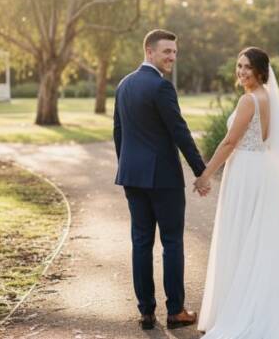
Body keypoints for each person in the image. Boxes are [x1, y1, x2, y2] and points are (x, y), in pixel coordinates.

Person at [194, 47, 279, 338]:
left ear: (261, 71)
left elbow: (229, 142)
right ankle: (263, 306)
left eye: (247, 67)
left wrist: (205, 175)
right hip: (261, 170)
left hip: (245, 172)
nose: (241, 72)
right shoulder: (269, 97)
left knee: (242, 234)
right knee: (258, 237)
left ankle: (244, 310)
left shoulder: (248, 100)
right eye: (239, 66)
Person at [112, 29, 206, 330]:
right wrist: (201, 171)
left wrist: (128, 167)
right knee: (172, 242)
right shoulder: (161, 86)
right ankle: (176, 311)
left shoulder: (124, 85)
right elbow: (180, 131)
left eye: (174, 52)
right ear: (149, 52)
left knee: (141, 242)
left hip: (132, 177)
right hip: (163, 178)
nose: (172, 57)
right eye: (167, 51)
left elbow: (119, 134)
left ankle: (146, 312)